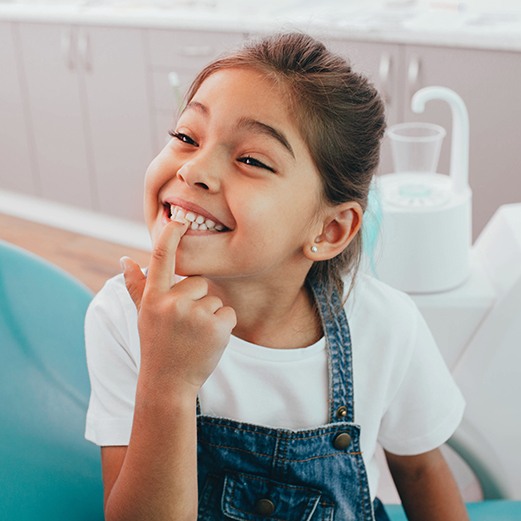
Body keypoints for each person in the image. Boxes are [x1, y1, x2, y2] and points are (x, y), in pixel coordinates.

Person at [84, 32, 468, 521]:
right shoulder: (122, 317)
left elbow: (419, 472)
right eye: (186, 136)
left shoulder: (387, 325)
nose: (194, 170)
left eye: (251, 159)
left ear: (329, 230)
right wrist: (167, 382)